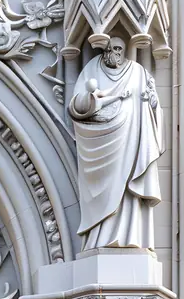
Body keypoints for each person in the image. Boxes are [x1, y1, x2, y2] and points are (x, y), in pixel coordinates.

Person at [68, 35, 163, 251]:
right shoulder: (92, 68)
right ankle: (99, 238)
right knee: (107, 187)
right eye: (111, 49)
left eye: (120, 49)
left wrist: (154, 103)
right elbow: (76, 105)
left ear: (126, 50)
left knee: (128, 187)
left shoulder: (137, 71)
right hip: (101, 141)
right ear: (105, 49)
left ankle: (132, 237)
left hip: (131, 138)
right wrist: (92, 101)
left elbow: (153, 105)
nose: (115, 54)